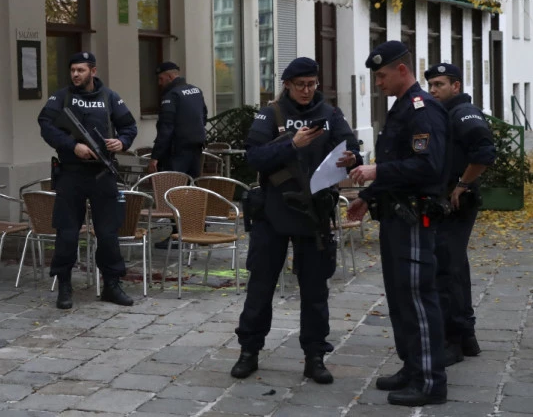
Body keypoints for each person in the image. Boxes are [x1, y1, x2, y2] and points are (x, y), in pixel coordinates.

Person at [230, 57, 362, 384]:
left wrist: (352, 158)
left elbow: (351, 149)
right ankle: (249, 351)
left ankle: (315, 356)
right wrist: (292, 144)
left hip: (314, 212)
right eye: (301, 85)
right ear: (287, 84)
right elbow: (254, 157)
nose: (307, 90)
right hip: (273, 211)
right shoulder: (270, 114)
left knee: (315, 289)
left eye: (312, 84)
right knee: (261, 285)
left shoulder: (329, 114)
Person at [347, 41, 448, 407]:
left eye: (381, 75)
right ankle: (412, 367)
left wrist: (376, 171)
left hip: (414, 218)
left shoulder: (422, 109)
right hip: (394, 215)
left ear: (401, 70)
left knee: (418, 297)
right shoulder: (402, 108)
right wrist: (368, 196)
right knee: (400, 297)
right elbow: (397, 163)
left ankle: (431, 381)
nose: (378, 83)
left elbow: (427, 166)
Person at [38, 51, 137, 310]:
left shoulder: (109, 97)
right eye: (72, 70)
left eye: (80, 70)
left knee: (108, 232)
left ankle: (112, 284)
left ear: (93, 71)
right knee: (67, 232)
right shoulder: (61, 97)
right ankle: (64, 285)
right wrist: (72, 146)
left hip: (102, 173)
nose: (75, 74)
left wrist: (122, 142)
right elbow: (46, 124)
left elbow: (129, 126)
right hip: (71, 173)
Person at [425, 63, 495, 365]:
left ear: (456, 86)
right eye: (431, 85)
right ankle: (466, 336)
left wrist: (463, 184)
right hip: (447, 202)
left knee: (446, 269)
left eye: (439, 84)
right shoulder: (445, 113)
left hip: (457, 204)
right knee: (455, 266)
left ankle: (452, 341)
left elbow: (485, 152)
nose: (433, 90)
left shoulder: (463, 112)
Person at [148, 61, 208, 177]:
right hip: (196, 148)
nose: (159, 83)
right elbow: (204, 117)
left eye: (161, 79)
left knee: (174, 186)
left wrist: (155, 156)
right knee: (192, 184)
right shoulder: (196, 91)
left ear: (169, 77)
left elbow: (166, 128)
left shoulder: (172, 95)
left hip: (177, 152)